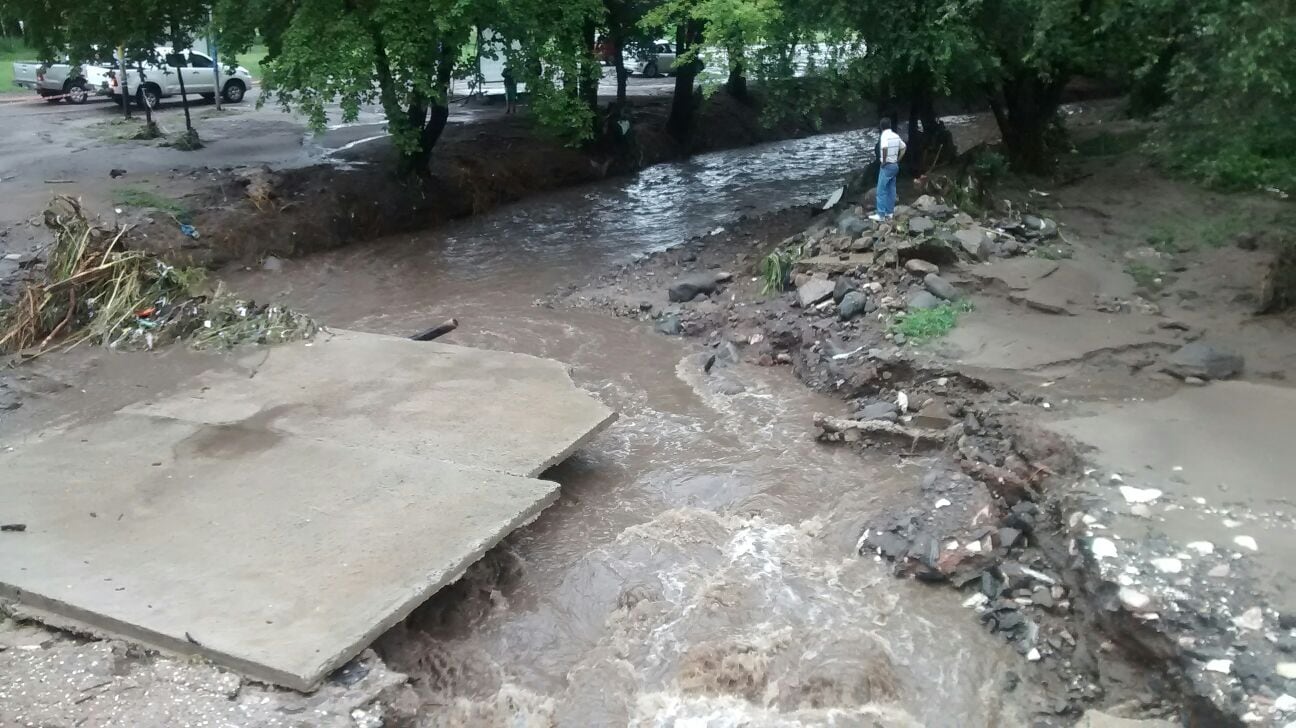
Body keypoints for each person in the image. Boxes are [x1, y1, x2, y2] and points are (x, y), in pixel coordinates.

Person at [871, 118, 906, 222]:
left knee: (881, 190)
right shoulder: (895, 135)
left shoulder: (884, 135)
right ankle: (890, 213)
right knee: (891, 190)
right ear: (890, 125)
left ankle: (881, 214)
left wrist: (884, 162)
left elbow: (885, 147)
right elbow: (904, 147)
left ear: (881, 127)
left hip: (887, 166)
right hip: (895, 165)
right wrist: (898, 159)